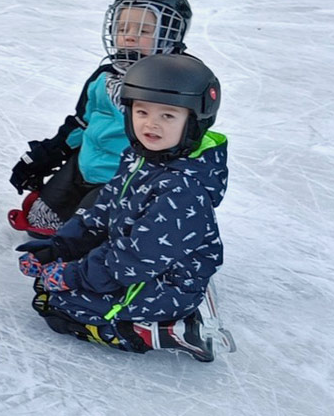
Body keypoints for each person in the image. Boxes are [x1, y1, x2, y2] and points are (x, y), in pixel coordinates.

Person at [18, 54, 229, 362]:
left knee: (61, 304)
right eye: (141, 111)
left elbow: (134, 259)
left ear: (194, 122)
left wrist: (73, 276)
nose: (151, 124)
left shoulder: (182, 188)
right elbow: (101, 212)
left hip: (168, 280)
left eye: (168, 116)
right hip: (141, 256)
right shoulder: (140, 157)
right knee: (52, 285)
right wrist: (58, 248)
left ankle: (162, 330)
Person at [9, 0, 193, 235]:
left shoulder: (176, 83)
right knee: (39, 223)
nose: (128, 35)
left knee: (83, 239)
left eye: (143, 30)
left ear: (171, 34)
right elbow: (82, 123)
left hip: (123, 181)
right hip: (83, 166)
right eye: (122, 27)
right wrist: (46, 154)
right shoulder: (104, 76)